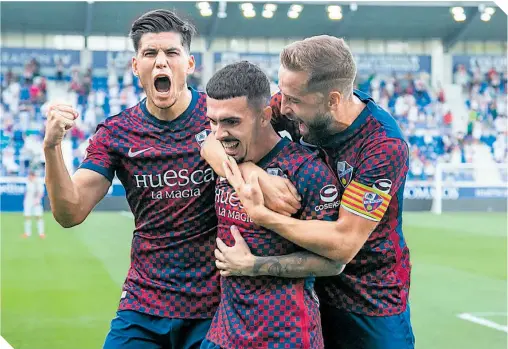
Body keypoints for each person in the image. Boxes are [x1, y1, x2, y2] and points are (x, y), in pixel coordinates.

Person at [43, 9, 299, 349]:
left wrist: (255, 172)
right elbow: (69, 212)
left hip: (215, 307)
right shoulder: (117, 132)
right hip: (144, 304)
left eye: (171, 53)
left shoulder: (220, 116)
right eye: (150, 53)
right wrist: (52, 147)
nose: (161, 62)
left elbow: (282, 126)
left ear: (189, 64)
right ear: (136, 66)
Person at [204, 36, 415, 349]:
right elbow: (210, 141)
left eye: (294, 100)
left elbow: (343, 244)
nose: (283, 106)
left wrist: (262, 216)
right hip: (307, 294)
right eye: (283, 95)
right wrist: (251, 173)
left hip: (370, 300)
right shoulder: (292, 102)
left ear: (332, 100)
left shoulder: (381, 146)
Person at [200, 61, 344, 349]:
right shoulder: (227, 160)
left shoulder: (306, 172)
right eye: (213, 122)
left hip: (286, 336)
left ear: (265, 116)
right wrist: (250, 171)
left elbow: (334, 262)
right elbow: (207, 144)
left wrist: (254, 266)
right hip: (224, 334)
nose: (219, 133)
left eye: (231, 122)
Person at [22, 171, 45, 239]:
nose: (29, 177)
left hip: (36, 202)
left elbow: (41, 192)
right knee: (27, 217)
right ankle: (27, 233)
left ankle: (41, 233)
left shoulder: (38, 183)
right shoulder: (28, 182)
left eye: (31, 176)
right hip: (28, 201)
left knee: (38, 216)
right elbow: (26, 192)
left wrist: (37, 199)